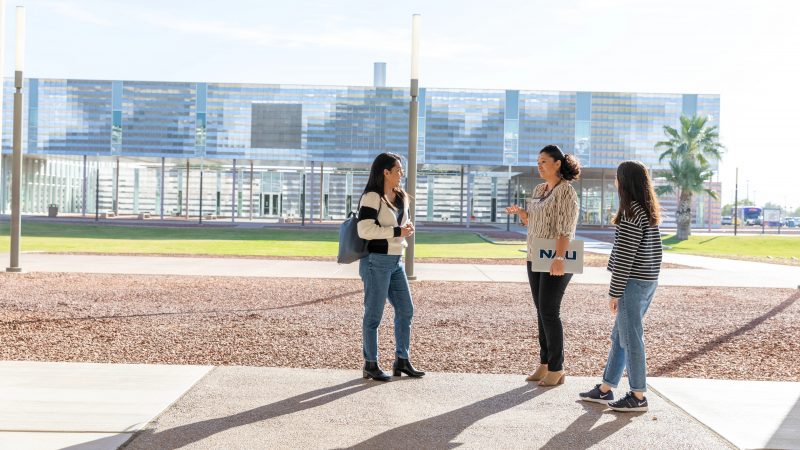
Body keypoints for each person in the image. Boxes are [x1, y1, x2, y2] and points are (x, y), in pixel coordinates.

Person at [579, 160, 662, 412]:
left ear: (623, 182)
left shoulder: (630, 213)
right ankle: (606, 389)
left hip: (632, 284)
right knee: (620, 336)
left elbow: (625, 258)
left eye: (617, 177)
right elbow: (654, 254)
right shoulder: (646, 212)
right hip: (647, 281)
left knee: (631, 338)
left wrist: (614, 292)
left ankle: (638, 395)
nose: (614, 181)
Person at [506, 145, 580, 387]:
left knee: (549, 310)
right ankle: (545, 363)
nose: (539, 165)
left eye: (544, 161)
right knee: (541, 311)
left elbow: (565, 228)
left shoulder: (566, 192)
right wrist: (523, 214)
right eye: (537, 162)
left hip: (556, 258)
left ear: (557, 163)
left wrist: (559, 258)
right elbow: (535, 223)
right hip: (535, 255)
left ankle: (557, 368)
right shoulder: (539, 189)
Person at [356, 152, 424, 381]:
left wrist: (407, 227)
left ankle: (401, 360)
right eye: (398, 170)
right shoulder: (371, 197)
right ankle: (370, 364)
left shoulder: (401, 196)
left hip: (396, 261)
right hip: (376, 261)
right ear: (385, 172)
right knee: (374, 315)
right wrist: (397, 231)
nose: (401, 174)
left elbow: (403, 224)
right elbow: (364, 230)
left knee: (406, 310)